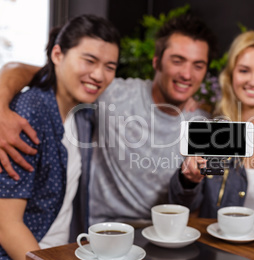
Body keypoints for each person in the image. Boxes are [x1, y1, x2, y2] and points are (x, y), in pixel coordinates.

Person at [0, 14, 216, 226]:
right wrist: (0, 106)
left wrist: (190, 182)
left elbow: (188, 206)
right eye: (178, 61)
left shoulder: (203, 123)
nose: (187, 74)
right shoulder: (110, 92)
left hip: (160, 234)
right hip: (99, 232)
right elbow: (38, 72)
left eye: (198, 65)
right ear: (157, 62)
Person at [0, 14, 120, 260]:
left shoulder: (83, 114)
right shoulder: (30, 111)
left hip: (62, 252)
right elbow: (6, 225)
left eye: (109, 66)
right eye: (89, 60)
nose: (99, 75)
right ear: (57, 55)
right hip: (23, 258)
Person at [169, 31, 254, 241]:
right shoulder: (212, 131)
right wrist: (189, 181)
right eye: (244, 70)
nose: (253, 81)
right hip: (215, 252)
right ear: (231, 75)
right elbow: (182, 210)